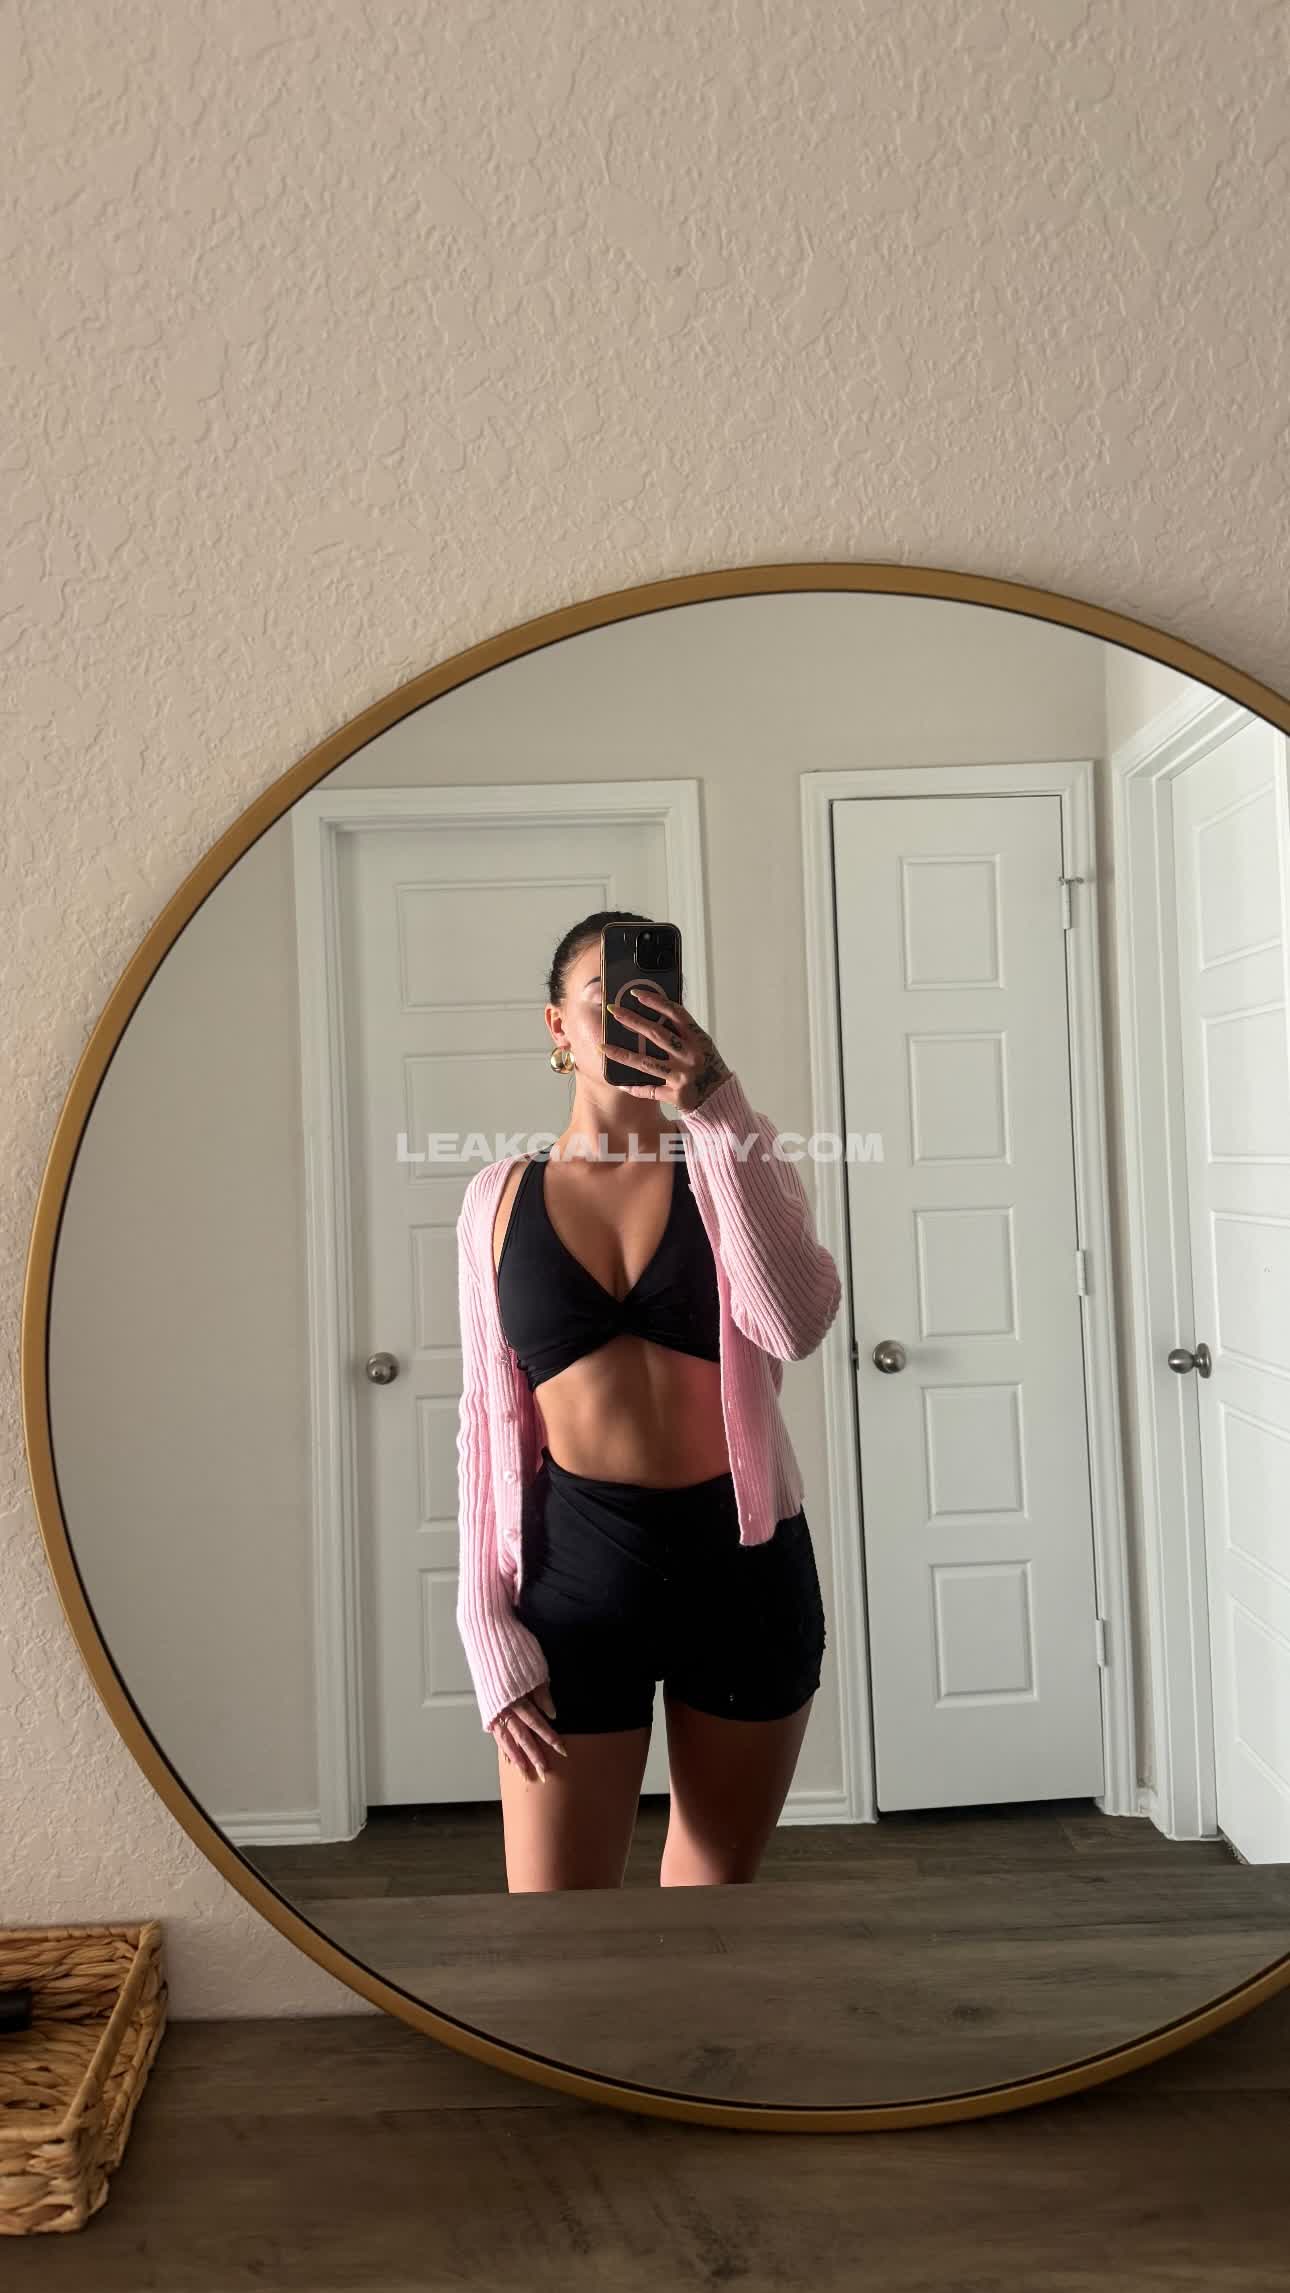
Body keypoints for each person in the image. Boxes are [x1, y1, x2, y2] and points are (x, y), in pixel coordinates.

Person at [454, 909, 843, 1891]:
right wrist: (485, 1624)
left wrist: (716, 1107)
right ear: (558, 1026)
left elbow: (795, 1323)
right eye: (607, 999)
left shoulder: (733, 1152)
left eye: (653, 997)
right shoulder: (496, 1196)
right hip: (576, 1578)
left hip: (743, 1571)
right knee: (556, 1920)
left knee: (712, 1902)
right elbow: (482, 1423)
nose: (633, 1017)